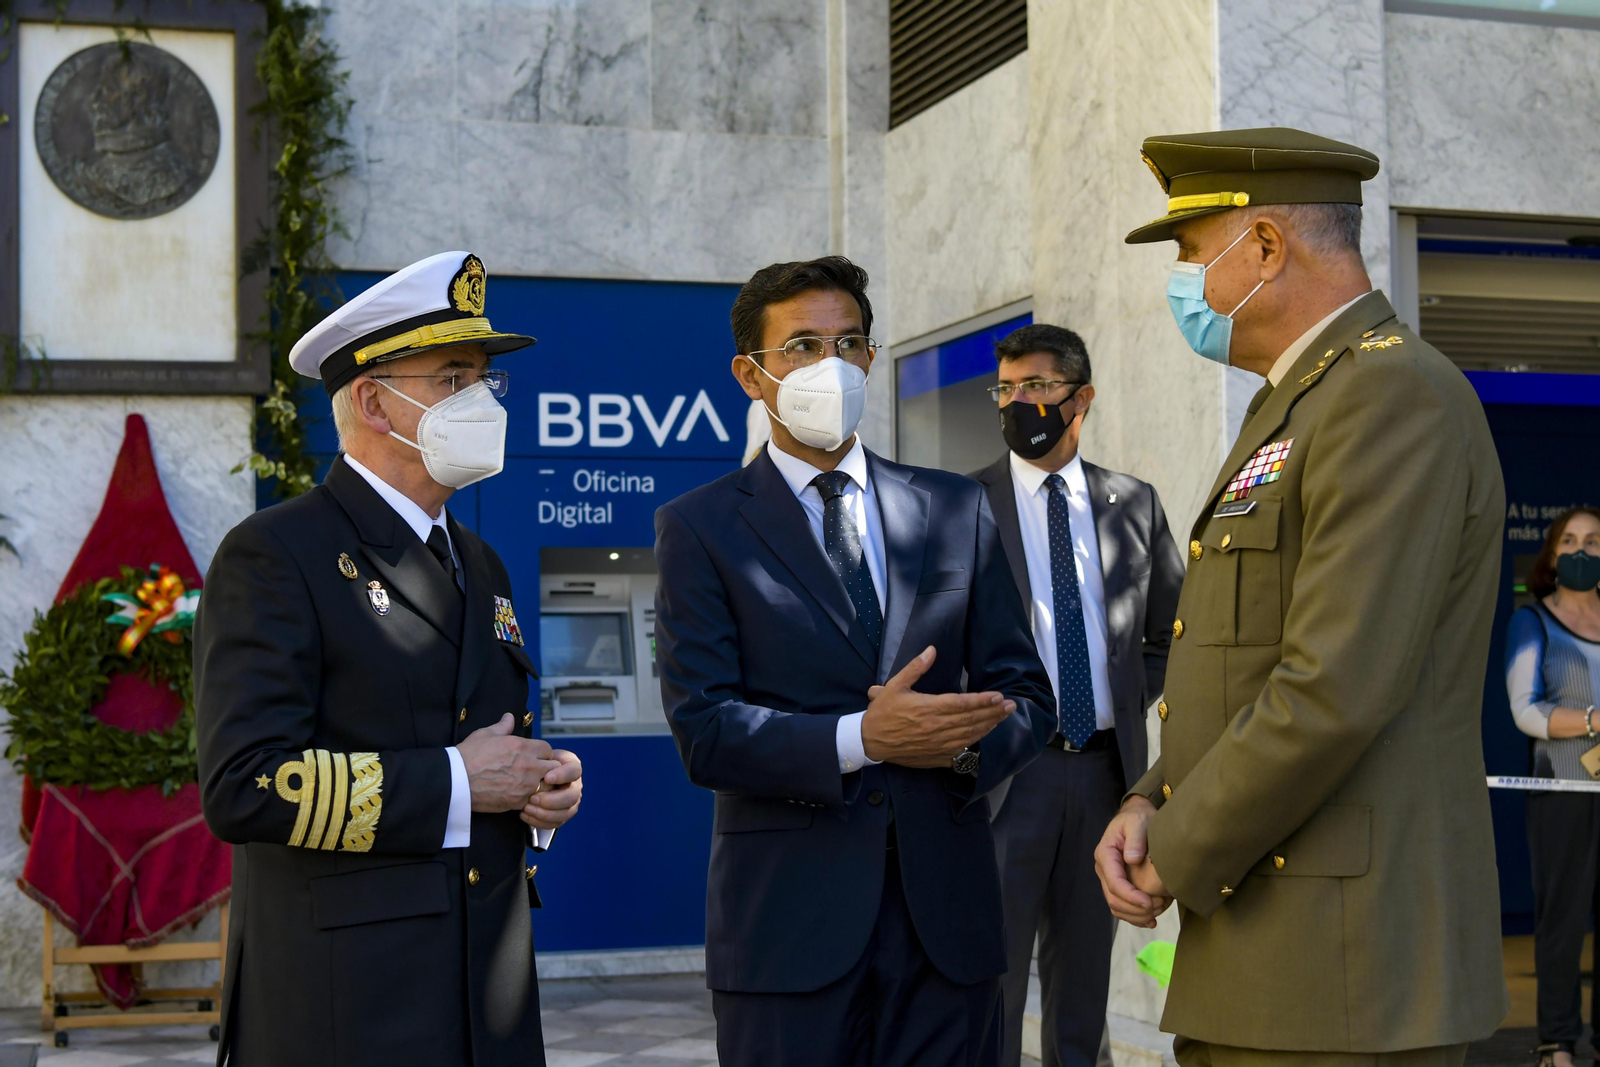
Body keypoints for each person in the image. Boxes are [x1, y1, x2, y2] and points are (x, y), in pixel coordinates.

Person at [1093, 128, 1510, 1066]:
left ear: (1266, 247)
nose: (1185, 284)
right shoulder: (1305, 399)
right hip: (1277, 957)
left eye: (1193, 253)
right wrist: (1152, 798)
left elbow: (1331, 687)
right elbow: (1243, 665)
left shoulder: (1387, 394)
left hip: (1345, 971)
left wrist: (1175, 846)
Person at [653, 255, 1056, 1067]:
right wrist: (861, 738)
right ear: (751, 375)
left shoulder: (955, 506)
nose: (829, 364)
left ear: (872, 356)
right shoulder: (700, 528)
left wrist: (959, 747)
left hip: (946, 934)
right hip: (788, 937)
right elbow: (706, 728)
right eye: (802, 345)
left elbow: (1027, 694)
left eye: (847, 343)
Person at [193, 251, 584, 1066]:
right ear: (373, 401)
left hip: (488, 1001)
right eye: (452, 378)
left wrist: (535, 788)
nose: (482, 400)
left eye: (484, 378)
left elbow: (485, 738)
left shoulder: (481, 562)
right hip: (351, 1007)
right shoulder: (277, 553)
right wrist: (458, 781)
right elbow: (243, 783)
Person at [971, 323, 1184, 1067]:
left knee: (1084, 987)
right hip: (1006, 777)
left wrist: (1116, 702)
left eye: (1035, 386)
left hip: (1104, 777)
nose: (1016, 403)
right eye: (1005, 389)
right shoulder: (960, 503)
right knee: (990, 985)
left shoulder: (1134, 502)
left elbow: (1171, 633)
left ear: (1080, 397)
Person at [1506, 506, 1600, 1067]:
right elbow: (1525, 711)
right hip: (1563, 789)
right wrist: (1592, 721)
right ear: (1552, 554)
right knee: (1563, 920)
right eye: (1570, 541)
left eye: (1593, 541)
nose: (1582, 551)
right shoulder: (1532, 621)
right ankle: (1557, 1042)